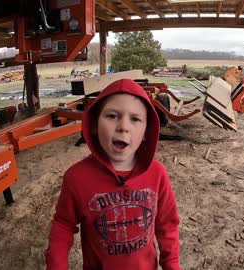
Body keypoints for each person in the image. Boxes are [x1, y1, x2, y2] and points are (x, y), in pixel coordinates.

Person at [46, 79, 180, 270]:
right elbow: (63, 225)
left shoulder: (157, 174)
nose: (123, 126)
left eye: (135, 119)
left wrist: (172, 265)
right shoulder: (77, 178)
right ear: (94, 124)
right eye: (112, 116)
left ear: (146, 132)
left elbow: (167, 225)